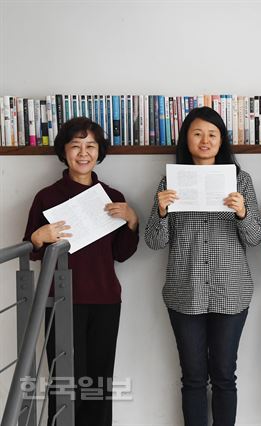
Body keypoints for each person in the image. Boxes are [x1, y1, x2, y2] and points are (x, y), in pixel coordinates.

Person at [144, 107, 261, 426]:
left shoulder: (241, 180)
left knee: (225, 375)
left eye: (212, 134)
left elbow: (255, 238)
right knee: (193, 377)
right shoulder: (169, 182)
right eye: (197, 133)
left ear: (221, 139)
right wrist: (162, 211)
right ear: (187, 138)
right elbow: (154, 242)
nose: (205, 140)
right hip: (185, 292)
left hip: (231, 292)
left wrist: (242, 213)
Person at [23, 117, 139, 426]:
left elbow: (122, 253)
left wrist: (131, 220)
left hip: (104, 299)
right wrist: (39, 237)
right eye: (76, 146)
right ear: (64, 151)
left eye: (91, 146)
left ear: (99, 152)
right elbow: (31, 248)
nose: (83, 153)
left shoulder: (113, 197)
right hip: (59, 299)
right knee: (65, 383)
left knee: (99, 384)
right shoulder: (46, 197)